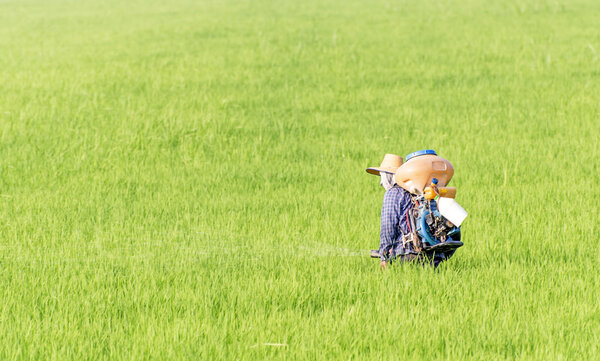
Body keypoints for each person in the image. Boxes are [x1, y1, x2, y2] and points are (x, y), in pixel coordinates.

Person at [366, 154, 450, 269]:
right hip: (434, 253)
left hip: (407, 253)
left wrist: (384, 255)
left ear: (389, 176)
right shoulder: (423, 192)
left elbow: (388, 226)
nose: (382, 182)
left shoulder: (393, 193)